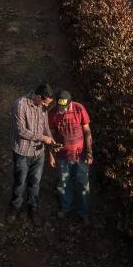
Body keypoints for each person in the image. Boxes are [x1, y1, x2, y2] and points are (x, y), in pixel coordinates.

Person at [7, 83, 59, 226]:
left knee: (35, 183)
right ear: (37, 96)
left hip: (38, 153)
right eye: (44, 102)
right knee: (20, 183)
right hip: (23, 152)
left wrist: (51, 142)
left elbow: (45, 126)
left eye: (47, 104)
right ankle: (15, 208)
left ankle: (32, 208)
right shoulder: (20, 104)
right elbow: (21, 131)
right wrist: (43, 138)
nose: (45, 106)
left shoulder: (43, 106)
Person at [48, 90, 93, 224]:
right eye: (60, 107)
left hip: (80, 155)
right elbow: (51, 135)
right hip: (63, 156)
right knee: (64, 183)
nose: (62, 110)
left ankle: (83, 212)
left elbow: (87, 131)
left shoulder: (79, 109)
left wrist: (89, 152)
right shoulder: (52, 113)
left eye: (65, 107)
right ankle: (65, 208)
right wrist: (51, 155)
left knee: (83, 184)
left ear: (70, 103)